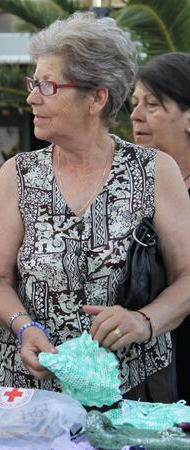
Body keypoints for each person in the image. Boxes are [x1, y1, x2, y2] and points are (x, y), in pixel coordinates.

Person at [0, 12, 190, 402]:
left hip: (128, 395)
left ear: (97, 97)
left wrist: (144, 321)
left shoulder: (155, 172)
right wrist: (23, 327)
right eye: (33, 82)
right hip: (35, 392)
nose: (32, 97)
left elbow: (187, 278)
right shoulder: (18, 175)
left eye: (48, 85)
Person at [131, 52, 190, 402]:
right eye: (135, 103)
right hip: (144, 357)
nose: (136, 115)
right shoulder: (132, 185)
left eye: (151, 104)